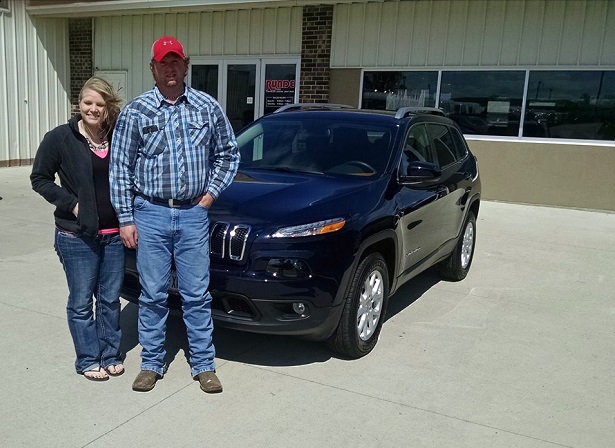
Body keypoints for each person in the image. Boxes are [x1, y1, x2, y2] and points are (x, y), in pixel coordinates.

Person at [109, 36, 239, 393]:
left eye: (176, 61)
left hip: (193, 215)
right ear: (152, 67)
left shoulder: (206, 107)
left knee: (197, 294)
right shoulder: (136, 111)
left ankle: (203, 365)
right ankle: (151, 363)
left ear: (186, 65)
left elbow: (228, 154)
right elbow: (120, 167)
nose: (170, 68)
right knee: (152, 294)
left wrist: (209, 196)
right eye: (163, 62)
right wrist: (125, 217)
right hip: (149, 214)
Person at [30, 76, 125, 381]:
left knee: (110, 299)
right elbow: (40, 178)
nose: (93, 109)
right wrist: (72, 204)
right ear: (79, 103)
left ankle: (110, 354)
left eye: (99, 104)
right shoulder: (60, 137)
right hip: (76, 235)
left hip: (114, 236)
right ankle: (88, 358)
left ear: (107, 106)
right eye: (87, 102)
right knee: (82, 301)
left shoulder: (117, 136)